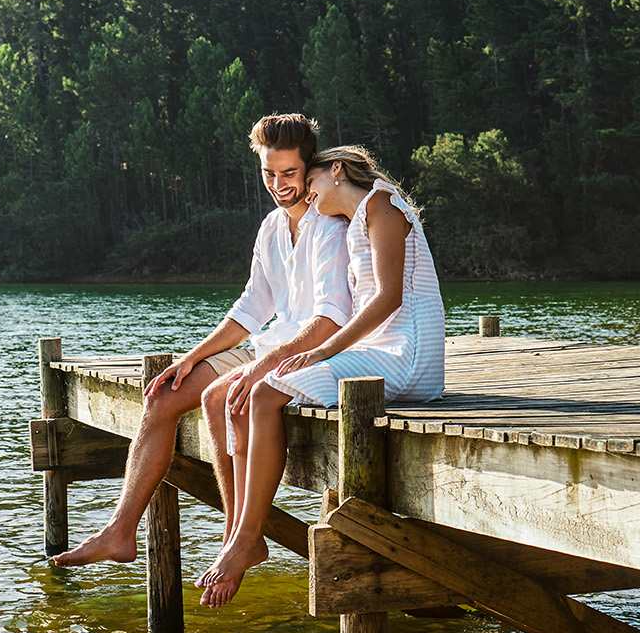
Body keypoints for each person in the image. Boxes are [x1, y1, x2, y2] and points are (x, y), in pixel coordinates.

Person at [51, 114, 352, 568]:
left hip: (310, 353)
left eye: (288, 173)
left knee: (221, 397)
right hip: (268, 345)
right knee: (163, 396)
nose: (278, 183)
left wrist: (257, 368)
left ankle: (240, 538)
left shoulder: (331, 226)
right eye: (269, 173)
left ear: (308, 168)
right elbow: (251, 308)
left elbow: (332, 319)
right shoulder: (272, 227)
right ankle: (120, 531)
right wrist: (192, 357)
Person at [196, 145, 444, 607]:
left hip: (406, 355)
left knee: (267, 392)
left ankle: (249, 537)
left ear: (335, 171)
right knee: (247, 392)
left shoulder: (384, 205)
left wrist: (324, 350)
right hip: (377, 351)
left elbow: (389, 298)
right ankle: (243, 535)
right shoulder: (355, 225)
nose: (308, 199)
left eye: (311, 186)